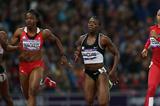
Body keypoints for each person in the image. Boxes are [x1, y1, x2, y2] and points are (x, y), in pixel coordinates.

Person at [9, 9, 68, 106]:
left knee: (32, 91)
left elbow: (56, 40)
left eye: (31, 18)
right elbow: (9, 46)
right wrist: (15, 46)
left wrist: (63, 55)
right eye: (27, 18)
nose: (28, 20)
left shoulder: (44, 33)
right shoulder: (19, 32)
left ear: (36, 20)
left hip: (37, 65)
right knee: (27, 95)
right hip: (23, 66)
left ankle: (42, 83)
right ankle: (45, 83)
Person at [74, 16, 120, 106]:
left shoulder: (103, 39)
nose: (91, 24)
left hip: (100, 72)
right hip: (88, 73)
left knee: (103, 103)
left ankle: (107, 83)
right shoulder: (82, 39)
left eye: (94, 23)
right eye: (90, 22)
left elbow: (116, 54)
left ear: (98, 26)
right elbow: (78, 48)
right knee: (89, 101)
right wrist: (77, 54)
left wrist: (113, 71)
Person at [141, 9, 160, 106]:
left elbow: (155, 38)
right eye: (159, 15)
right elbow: (150, 40)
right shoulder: (152, 29)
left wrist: (158, 38)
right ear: (156, 16)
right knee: (151, 88)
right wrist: (145, 48)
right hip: (156, 64)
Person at [0, 30, 18, 106]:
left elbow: (7, 47)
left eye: (6, 38)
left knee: (7, 97)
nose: (6, 39)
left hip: (1, 71)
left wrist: (18, 47)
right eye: (4, 38)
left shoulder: (3, 45)